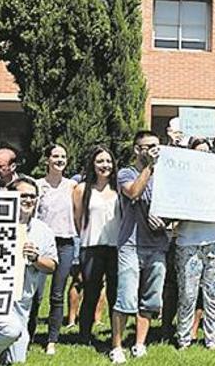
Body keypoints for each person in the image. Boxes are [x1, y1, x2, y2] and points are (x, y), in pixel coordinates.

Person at [0, 177, 58, 364]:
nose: (28, 200)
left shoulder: (43, 230)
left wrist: (36, 259)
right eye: (23, 196)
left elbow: (52, 265)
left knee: (16, 359)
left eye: (32, 196)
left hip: (22, 304)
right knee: (11, 330)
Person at [109, 131, 169, 364]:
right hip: (130, 245)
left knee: (151, 299)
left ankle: (139, 344)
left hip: (157, 244)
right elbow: (134, 192)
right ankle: (117, 347)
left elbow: (173, 207)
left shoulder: (165, 176)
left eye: (156, 146)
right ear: (137, 149)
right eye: (148, 146)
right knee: (125, 297)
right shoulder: (126, 172)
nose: (153, 150)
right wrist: (149, 168)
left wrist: (166, 222)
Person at [174, 140, 215, 350]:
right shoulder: (182, 179)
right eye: (197, 152)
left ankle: (212, 339)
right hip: (188, 241)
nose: (202, 155)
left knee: (214, 294)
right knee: (187, 293)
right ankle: (183, 338)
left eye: (206, 152)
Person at [28, 144, 77, 355]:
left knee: (57, 294)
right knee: (34, 294)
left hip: (65, 243)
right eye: (55, 156)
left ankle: (52, 340)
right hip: (42, 243)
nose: (59, 160)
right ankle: (27, 336)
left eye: (63, 157)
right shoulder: (38, 186)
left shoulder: (73, 186)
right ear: (47, 159)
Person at [72, 146, 121, 344]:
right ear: (92, 163)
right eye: (100, 161)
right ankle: (84, 335)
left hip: (116, 248)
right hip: (91, 247)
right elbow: (77, 219)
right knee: (91, 292)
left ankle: (115, 334)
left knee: (115, 293)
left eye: (108, 161)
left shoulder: (118, 188)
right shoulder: (82, 189)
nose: (105, 165)